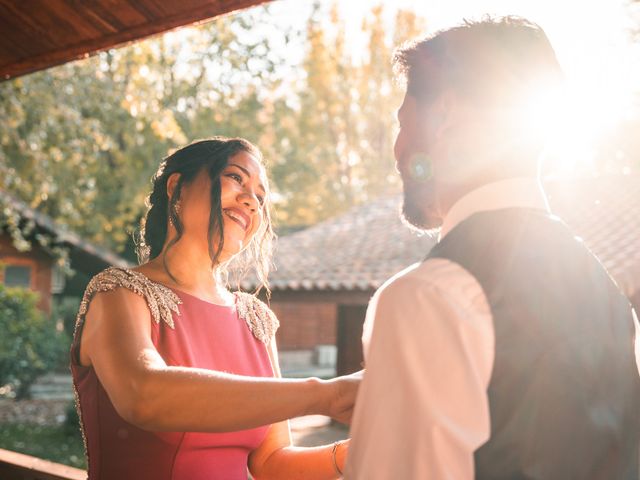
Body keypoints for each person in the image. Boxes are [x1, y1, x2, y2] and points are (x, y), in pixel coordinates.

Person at [345, 16, 640, 479]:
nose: (399, 149)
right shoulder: (610, 299)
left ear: (447, 115)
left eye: (404, 123)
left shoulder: (430, 295)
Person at [70, 137, 359, 480]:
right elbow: (143, 395)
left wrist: (358, 451)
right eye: (236, 178)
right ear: (177, 187)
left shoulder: (256, 321)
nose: (252, 201)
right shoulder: (119, 292)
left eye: (261, 198)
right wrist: (325, 394)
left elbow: (272, 463)